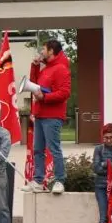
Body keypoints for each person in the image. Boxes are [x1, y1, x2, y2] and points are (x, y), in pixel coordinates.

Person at [25, 39, 72, 194]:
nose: (41, 52)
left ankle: (59, 180)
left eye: (43, 49)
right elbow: (33, 83)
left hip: (52, 116)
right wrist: (35, 65)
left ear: (51, 51)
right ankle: (38, 181)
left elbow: (65, 93)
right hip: (40, 114)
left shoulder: (61, 69)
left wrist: (44, 98)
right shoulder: (46, 69)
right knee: (38, 149)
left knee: (53, 149)